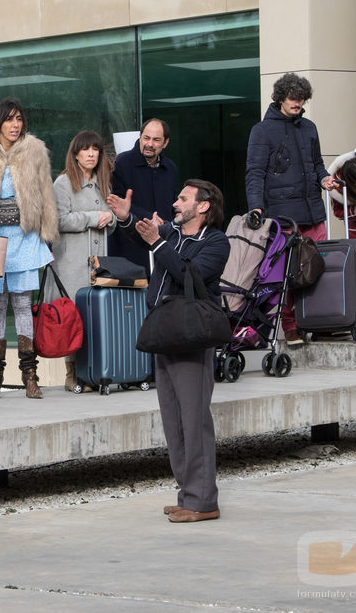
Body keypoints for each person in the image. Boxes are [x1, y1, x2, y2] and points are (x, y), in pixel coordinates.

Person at [107, 179, 230, 523]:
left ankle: (203, 501)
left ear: (203, 206)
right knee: (173, 421)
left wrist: (158, 242)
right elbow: (143, 233)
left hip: (191, 335)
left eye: (183, 198)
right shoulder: (171, 233)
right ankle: (188, 493)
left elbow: (190, 274)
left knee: (194, 419)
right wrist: (126, 218)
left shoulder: (216, 242)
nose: (176, 203)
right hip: (165, 331)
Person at [0, 98, 57, 399]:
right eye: (9, 119)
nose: (15, 125)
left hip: (24, 236)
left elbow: (46, 192)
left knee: (22, 305)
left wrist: (47, 232)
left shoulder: (35, 149)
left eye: (19, 119)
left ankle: (30, 376)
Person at [245, 73, 335, 345]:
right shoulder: (261, 130)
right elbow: (255, 173)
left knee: (319, 268)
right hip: (282, 215)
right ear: (281, 98)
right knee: (287, 273)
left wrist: (324, 178)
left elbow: (317, 164)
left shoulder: (309, 127)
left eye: (302, 98)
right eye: (293, 98)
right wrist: (256, 208)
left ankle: (319, 321)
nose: (298, 103)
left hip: (313, 211)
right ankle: (290, 326)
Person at [49, 130, 115, 391]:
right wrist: (93, 217)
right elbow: (59, 220)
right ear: (75, 154)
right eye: (85, 149)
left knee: (96, 317)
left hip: (99, 262)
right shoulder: (63, 183)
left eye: (95, 149)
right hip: (71, 262)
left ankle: (95, 371)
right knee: (74, 318)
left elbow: (110, 218)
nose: (91, 154)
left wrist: (112, 218)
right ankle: (72, 374)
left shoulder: (103, 182)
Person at [109, 118, 178, 275]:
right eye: (146, 138)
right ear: (140, 137)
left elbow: (173, 203)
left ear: (165, 143)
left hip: (162, 244)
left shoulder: (170, 168)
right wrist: (149, 218)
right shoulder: (122, 163)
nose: (149, 144)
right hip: (129, 245)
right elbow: (117, 202)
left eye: (156, 140)